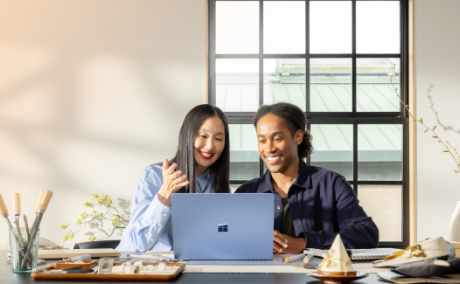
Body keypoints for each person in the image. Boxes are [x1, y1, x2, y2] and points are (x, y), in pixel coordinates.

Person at [236, 102, 379, 253]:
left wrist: (304, 243)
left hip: (316, 276)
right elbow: (230, 242)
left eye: (277, 139)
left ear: (298, 137)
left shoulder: (331, 184)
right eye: (262, 141)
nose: (269, 148)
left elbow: (367, 234)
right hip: (260, 276)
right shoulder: (246, 193)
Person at [117, 104, 230, 252]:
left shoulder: (219, 186)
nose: (209, 146)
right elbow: (134, 246)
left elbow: (222, 238)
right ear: (187, 135)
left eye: (218, 138)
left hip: (198, 269)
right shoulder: (153, 176)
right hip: (154, 270)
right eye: (203, 136)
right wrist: (164, 195)